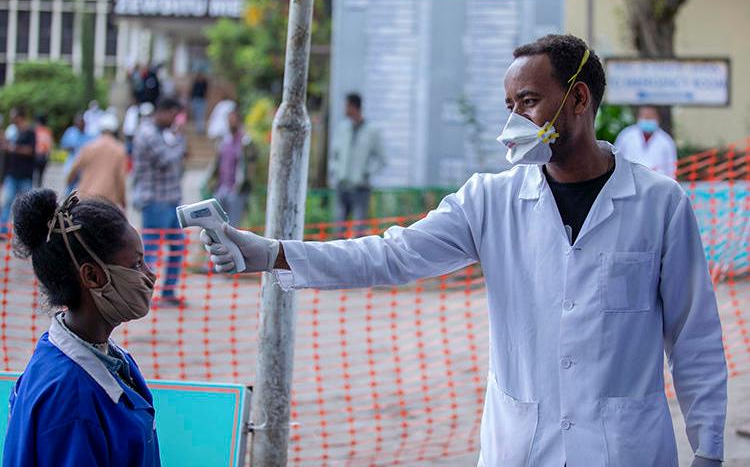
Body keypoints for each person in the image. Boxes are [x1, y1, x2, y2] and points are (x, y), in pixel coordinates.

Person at [203, 35, 726, 467]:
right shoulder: (489, 200)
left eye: (529, 101)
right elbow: (390, 255)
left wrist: (709, 451)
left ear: (579, 98)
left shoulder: (659, 205)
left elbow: (694, 337)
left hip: (624, 450)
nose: (515, 119)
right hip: (523, 447)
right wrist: (270, 252)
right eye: (509, 105)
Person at [3, 189, 160, 466]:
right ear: (92, 275)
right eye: (136, 264)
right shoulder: (71, 402)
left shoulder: (110, 359)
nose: (150, 274)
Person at [132, 98, 186, 307]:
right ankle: (144, 294)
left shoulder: (161, 134)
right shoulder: (147, 134)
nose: (174, 121)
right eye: (173, 115)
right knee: (151, 250)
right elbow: (167, 159)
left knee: (178, 247)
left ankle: (169, 291)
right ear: (163, 112)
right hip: (155, 200)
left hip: (171, 199)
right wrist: (180, 140)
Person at [329, 93, 386, 226]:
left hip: (361, 188)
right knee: (339, 229)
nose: (344, 109)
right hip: (342, 185)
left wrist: (367, 173)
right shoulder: (342, 128)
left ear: (354, 107)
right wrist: (335, 171)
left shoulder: (372, 131)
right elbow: (335, 154)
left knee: (358, 230)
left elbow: (382, 159)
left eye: (347, 106)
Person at [203, 108, 256, 225]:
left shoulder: (245, 141)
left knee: (232, 225)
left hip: (236, 189)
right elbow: (217, 162)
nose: (231, 123)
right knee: (217, 222)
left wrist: (245, 186)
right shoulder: (224, 140)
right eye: (229, 120)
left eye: (233, 120)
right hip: (221, 187)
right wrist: (212, 182)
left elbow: (250, 165)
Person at [66, 113, 128, 209]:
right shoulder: (119, 150)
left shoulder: (89, 147)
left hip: (85, 196)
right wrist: (123, 201)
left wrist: (70, 184)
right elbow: (120, 179)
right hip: (107, 201)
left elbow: (73, 171)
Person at [614, 105, 677, 178]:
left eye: (650, 117)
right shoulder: (625, 136)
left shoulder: (666, 141)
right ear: (638, 117)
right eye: (645, 116)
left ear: (658, 118)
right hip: (629, 181)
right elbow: (616, 161)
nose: (647, 119)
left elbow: (672, 169)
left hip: (658, 183)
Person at [1, 107, 36, 230]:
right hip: (12, 173)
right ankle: (3, 230)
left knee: (25, 205)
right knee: (7, 203)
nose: (12, 119)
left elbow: (31, 150)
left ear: (20, 117)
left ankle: (23, 230)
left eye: (14, 116)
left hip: (25, 174)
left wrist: (13, 148)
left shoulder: (30, 131)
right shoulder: (12, 131)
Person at [60, 113, 95, 193]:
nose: (80, 125)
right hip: (71, 164)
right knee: (69, 187)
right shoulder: (70, 132)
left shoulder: (89, 135)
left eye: (82, 123)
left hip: (83, 167)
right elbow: (63, 145)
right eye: (78, 123)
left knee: (82, 188)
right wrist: (71, 147)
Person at [33, 114, 53, 188]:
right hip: (43, 156)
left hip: (35, 155)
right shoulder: (48, 131)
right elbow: (49, 145)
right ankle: (38, 191)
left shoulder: (35, 130)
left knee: (33, 176)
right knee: (40, 177)